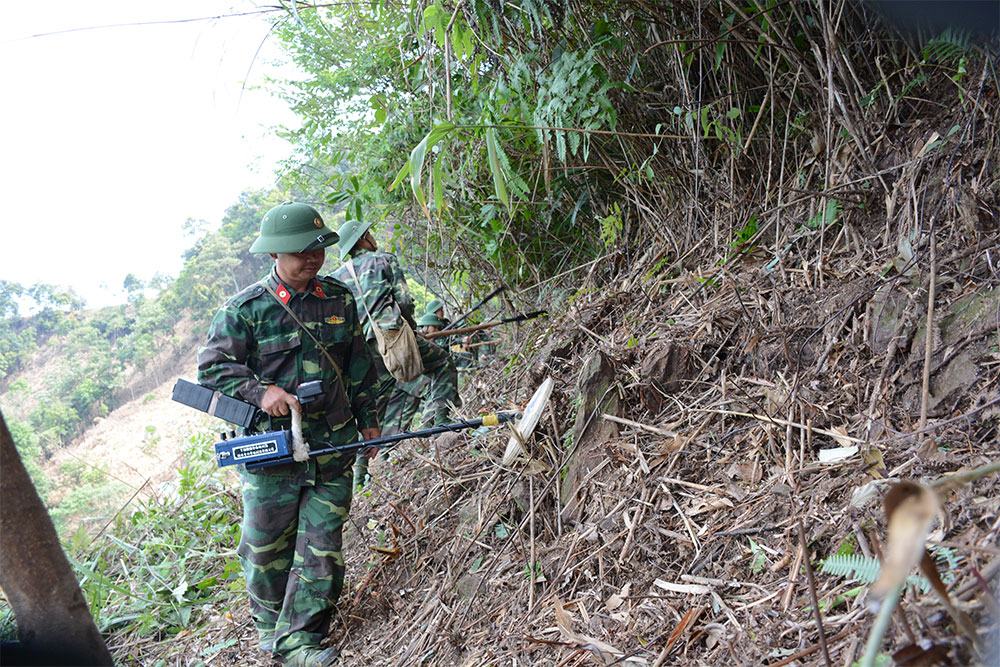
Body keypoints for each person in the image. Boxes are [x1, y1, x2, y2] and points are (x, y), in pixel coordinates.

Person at [198, 202, 380, 667]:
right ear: (276, 253)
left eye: (318, 248)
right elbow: (212, 369)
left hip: (333, 445)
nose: (312, 258)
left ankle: (300, 640)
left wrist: (370, 419)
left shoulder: (338, 298)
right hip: (272, 453)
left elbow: (359, 365)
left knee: (321, 547)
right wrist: (261, 393)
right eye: (301, 251)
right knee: (264, 549)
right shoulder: (245, 311)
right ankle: (270, 629)